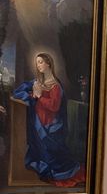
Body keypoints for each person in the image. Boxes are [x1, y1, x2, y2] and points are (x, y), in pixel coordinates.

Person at [11, 53, 85, 186]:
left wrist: (39, 96)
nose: (38, 65)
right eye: (37, 62)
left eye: (40, 62)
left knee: (53, 156)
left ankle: (59, 171)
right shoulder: (37, 82)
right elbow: (18, 92)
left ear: (48, 63)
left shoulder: (56, 86)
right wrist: (30, 95)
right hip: (39, 122)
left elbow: (54, 106)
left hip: (51, 126)